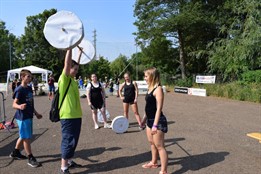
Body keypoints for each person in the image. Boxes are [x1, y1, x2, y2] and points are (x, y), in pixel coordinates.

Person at [9, 69, 43, 168]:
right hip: (22, 117)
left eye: (30, 76)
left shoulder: (29, 88)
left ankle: (15, 152)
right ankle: (30, 158)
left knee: (23, 136)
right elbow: (14, 104)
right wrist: (19, 107)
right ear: (22, 77)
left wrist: (36, 113)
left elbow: (30, 103)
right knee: (27, 137)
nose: (30, 78)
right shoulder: (19, 89)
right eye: (28, 76)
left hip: (29, 115)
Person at [58, 48, 83, 174]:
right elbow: (68, 65)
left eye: (77, 70)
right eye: (75, 69)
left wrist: (79, 54)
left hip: (76, 115)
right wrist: (69, 48)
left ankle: (69, 161)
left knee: (74, 140)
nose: (76, 71)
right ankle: (64, 167)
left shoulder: (73, 81)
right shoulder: (64, 79)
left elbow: (74, 65)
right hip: (67, 115)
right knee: (68, 140)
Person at [141, 67, 168, 174]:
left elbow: (158, 109)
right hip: (149, 120)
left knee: (160, 146)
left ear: (152, 76)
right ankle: (154, 162)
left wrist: (155, 125)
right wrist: (144, 119)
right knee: (152, 143)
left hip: (158, 121)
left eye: (146, 76)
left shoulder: (158, 89)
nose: (145, 78)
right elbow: (148, 107)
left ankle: (164, 171)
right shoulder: (150, 88)